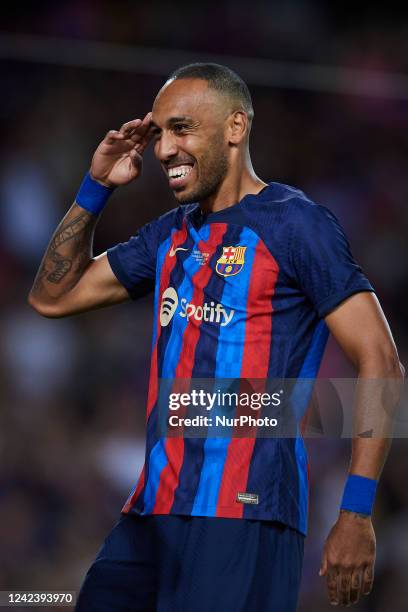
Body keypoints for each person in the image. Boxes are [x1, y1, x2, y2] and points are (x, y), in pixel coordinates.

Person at [28, 63, 404, 611]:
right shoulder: (169, 234)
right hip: (150, 513)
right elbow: (51, 297)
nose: (162, 150)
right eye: (159, 133)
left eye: (181, 129)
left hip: (246, 510)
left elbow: (381, 360)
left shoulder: (295, 223)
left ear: (235, 128)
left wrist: (357, 510)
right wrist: (96, 188)